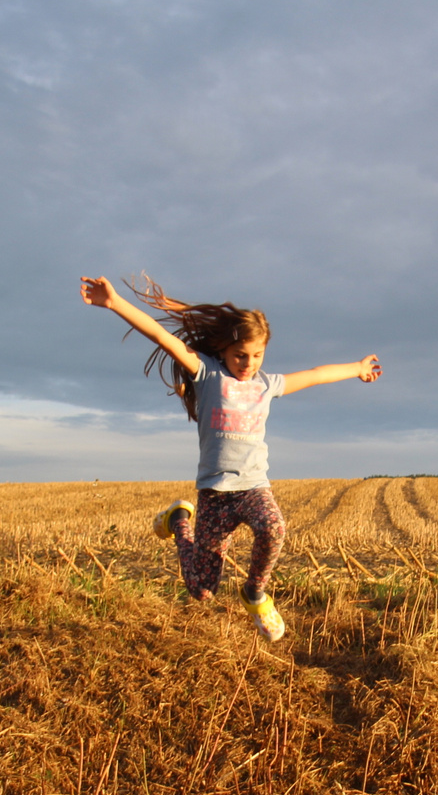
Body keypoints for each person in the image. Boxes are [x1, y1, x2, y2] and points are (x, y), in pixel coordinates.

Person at [80, 274, 381, 641]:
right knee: (202, 590)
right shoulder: (206, 373)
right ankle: (178, 520)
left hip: (253, 486)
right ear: (223, 350)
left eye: (257, 356)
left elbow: (317, 374)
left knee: (274, 528)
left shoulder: (266, 385)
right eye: (241, 355)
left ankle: (255, 594)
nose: (248, 364)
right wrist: (115, 304)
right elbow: (162, 337)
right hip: (215, 494)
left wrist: (357, 369)